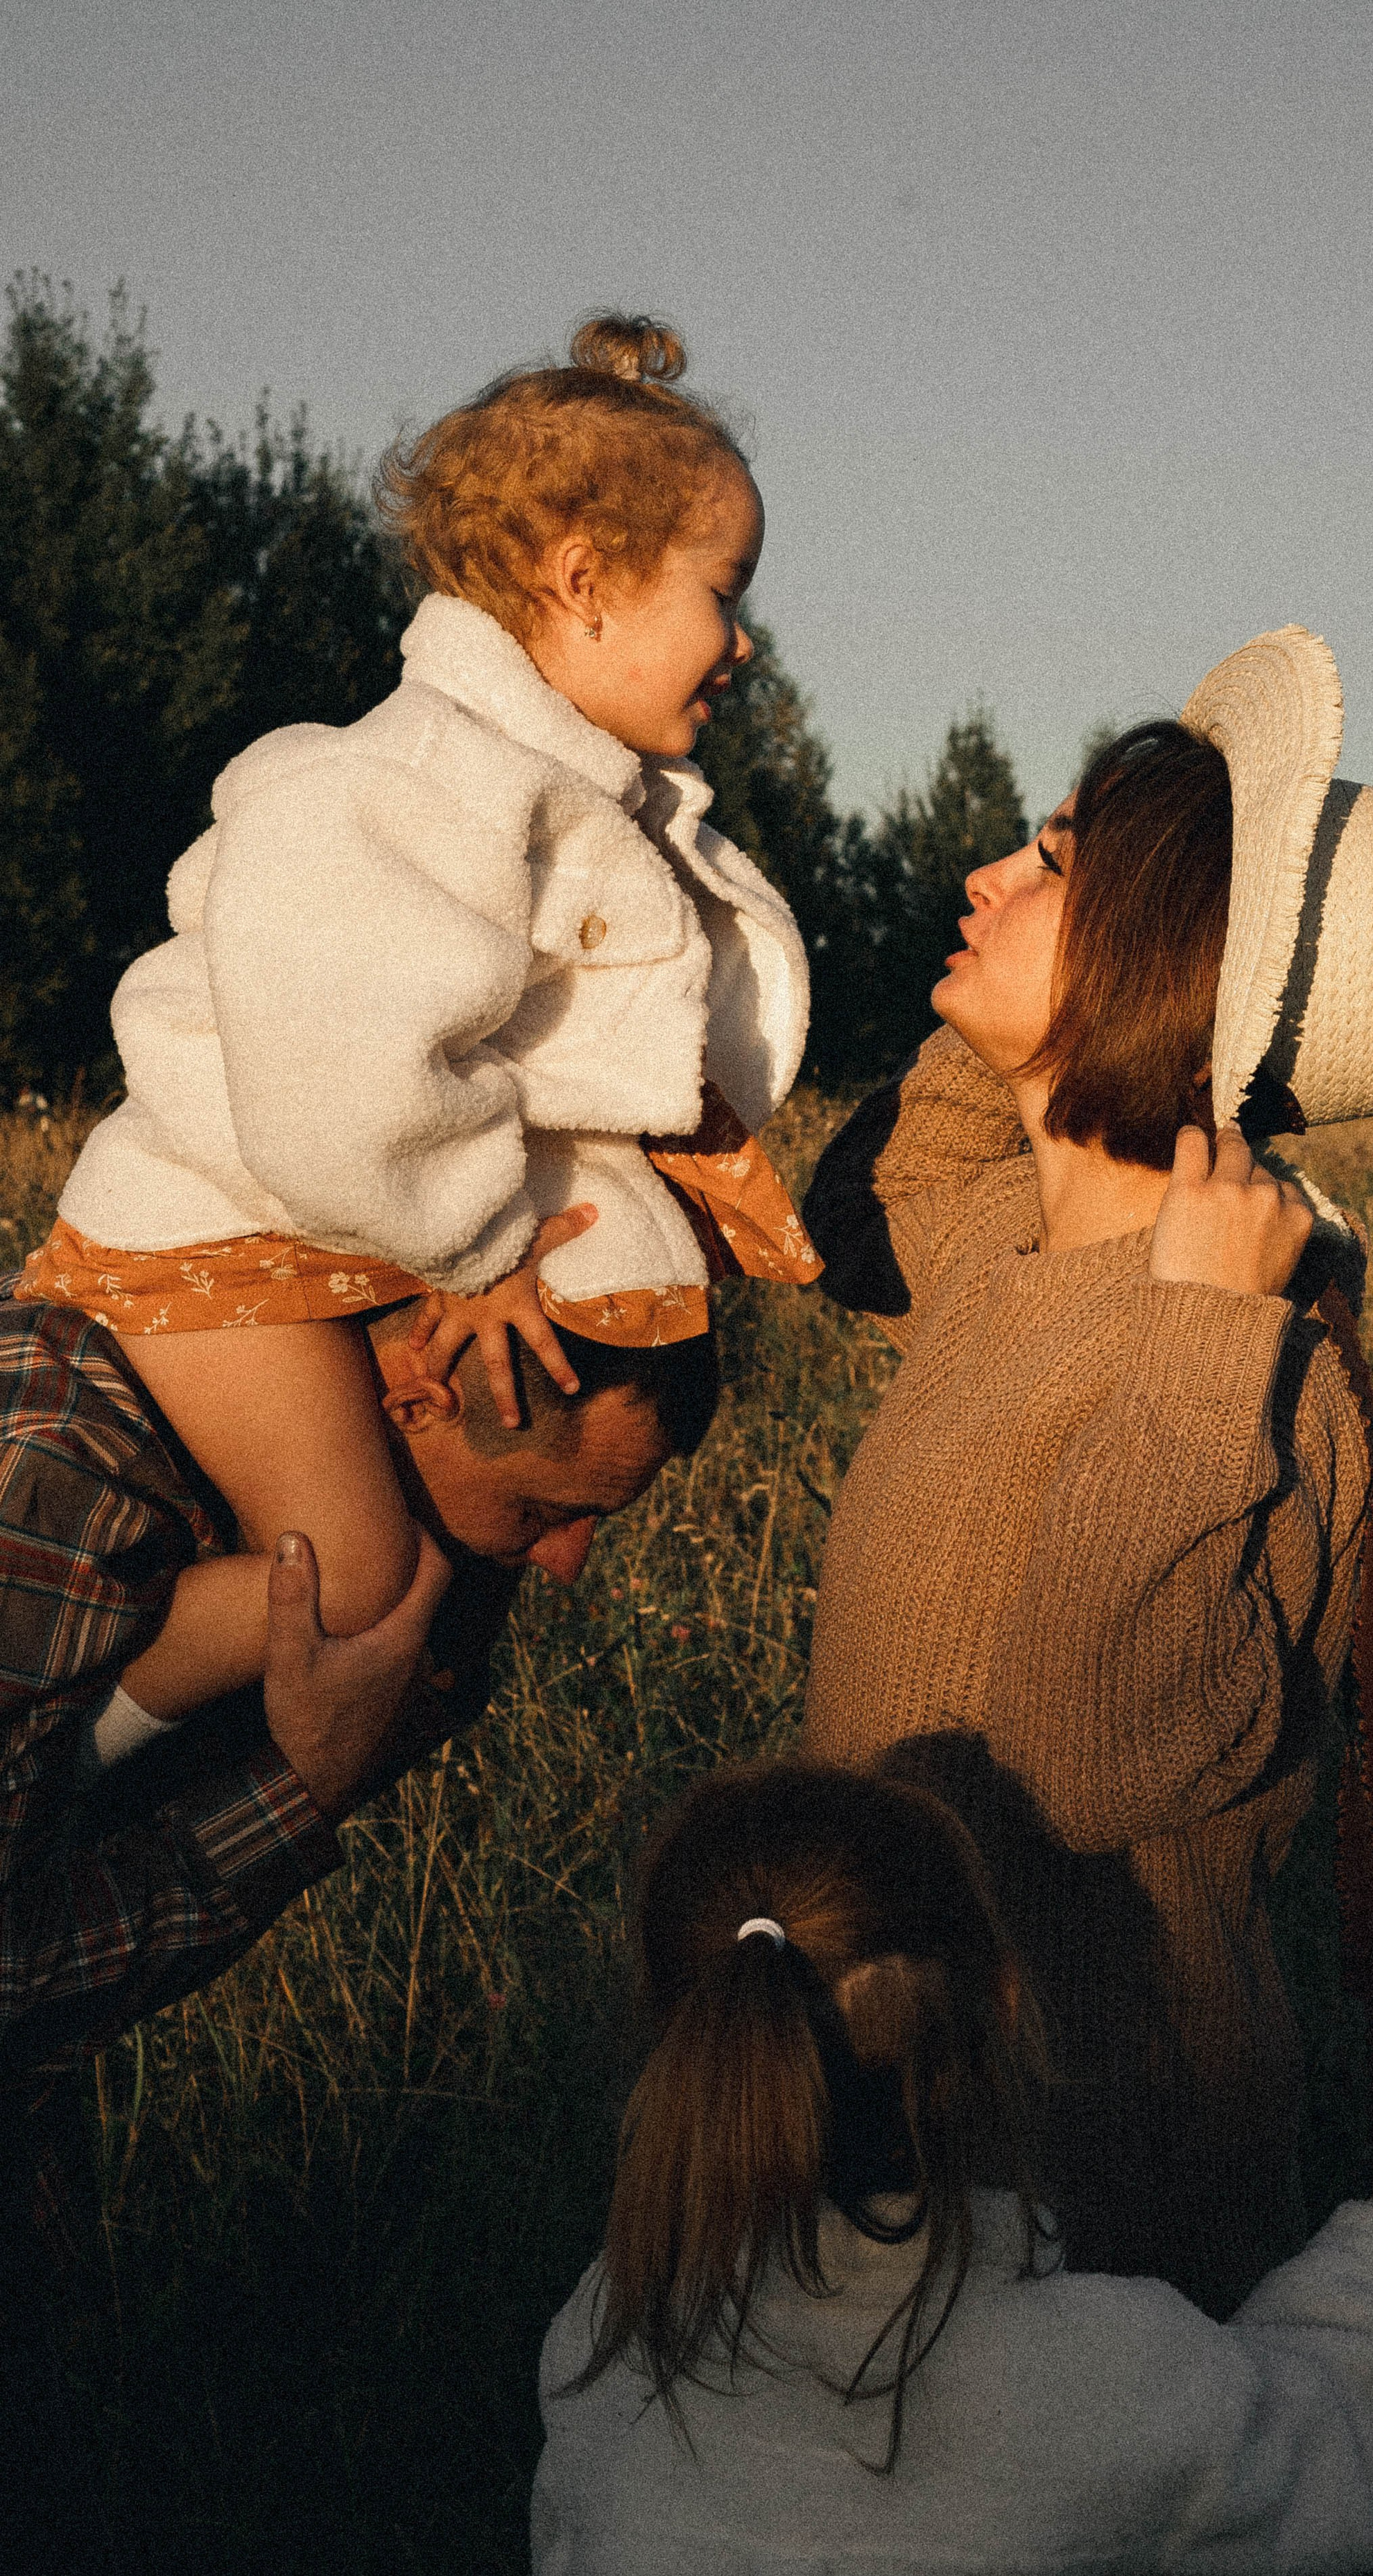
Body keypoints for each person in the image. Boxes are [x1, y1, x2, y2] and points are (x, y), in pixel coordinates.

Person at [14, 311, 818, 1771]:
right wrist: (478, 1245)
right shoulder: (417, 781)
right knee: (355, 1577)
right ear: (585, 582)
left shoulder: (552, 788)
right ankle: (74, 1762)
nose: (744, 639)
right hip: (207, 1235)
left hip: (293, 1225)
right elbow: (341, 1078)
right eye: (724, 590)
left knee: (385, 1573)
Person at [798, 627, 1373, 2316]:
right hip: (897, 2112)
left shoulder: (1262, 1371)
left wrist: (1207, 1329)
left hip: (1088, 2163)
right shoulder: (1007, 1253)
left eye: (1052, 863)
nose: (984, 874)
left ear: (1167, 956)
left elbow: (1086, 1752)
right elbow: (895, 1183)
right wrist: (1040, 1041)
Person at [0, 1281, 715, 2576]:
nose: (570, 1563)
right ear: (410, 1400)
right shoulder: (55, 1495)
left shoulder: (343, 1538)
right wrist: (302, 1787)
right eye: (546, 1509)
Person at [528, 1760, 1373, 2576]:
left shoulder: (608, 2338)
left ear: (681, 2040)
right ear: (1006, 1999)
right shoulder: (1104, 2378)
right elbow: (1351, 2442)